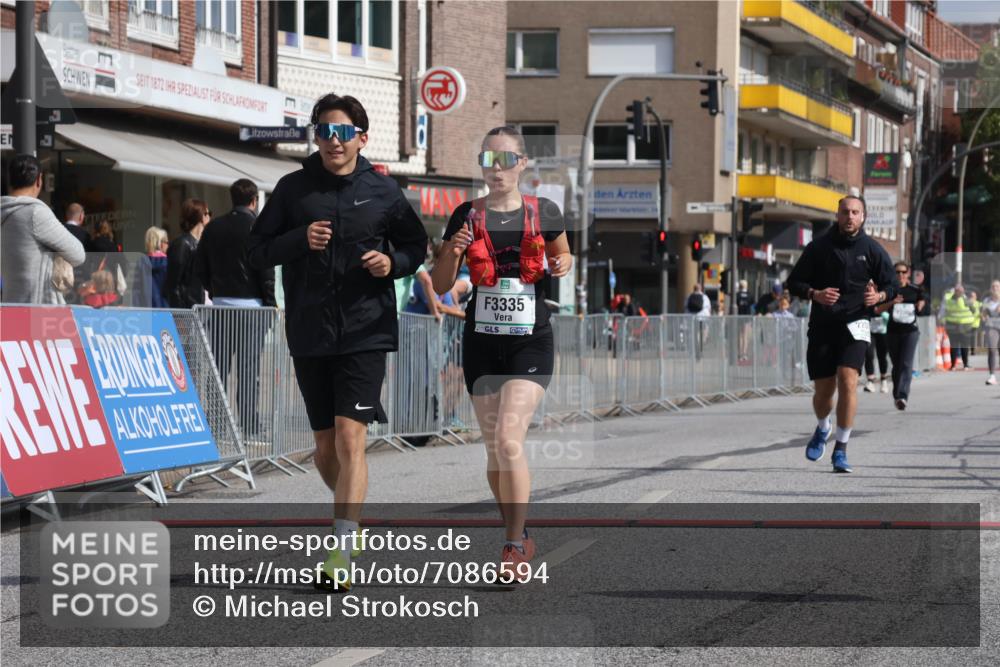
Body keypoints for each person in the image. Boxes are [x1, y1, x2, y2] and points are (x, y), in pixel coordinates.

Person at [247, 94, 427, 591]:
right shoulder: (292, 189)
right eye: (324, 131)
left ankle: (341, 546)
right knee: (325, 450)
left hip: (366, 330)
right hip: (309, 329)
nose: (332, 140)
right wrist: (298, 239)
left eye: (343, 132)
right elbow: (257, 252)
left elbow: (416, 246)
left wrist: (394, 264)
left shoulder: (384, 192)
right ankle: (352, 512)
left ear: (361, 139)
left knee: (351, 439)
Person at [430, 125, 572, 582]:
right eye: (490, 160)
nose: (498, 169)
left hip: (531, 339)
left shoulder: (543, 211)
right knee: (495, 450)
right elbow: (439, 284)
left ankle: (513, 544)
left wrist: (562, 263)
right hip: (482, 340)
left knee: (510, 439)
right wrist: (453, 252)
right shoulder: (466, 214)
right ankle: (520, 528)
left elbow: (562, 256)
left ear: (522, 164)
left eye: (507, 160)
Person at [787, 195, 898, 473]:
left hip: (856, 322)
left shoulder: (872, 249)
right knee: (824, 392)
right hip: (824, 325)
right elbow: (795, 282)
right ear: (838, 215)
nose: (850, 217)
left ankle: (841, 448)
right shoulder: (819, 247)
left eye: (855, 212)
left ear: (863, 217)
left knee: (849, 381)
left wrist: (880, 295)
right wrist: (815, 293)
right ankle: (823, 427)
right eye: (845, 212)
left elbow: (893, 284)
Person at [195, 179, 278, 437]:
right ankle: (249, 424)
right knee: (248, 367)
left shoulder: (214, 227)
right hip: (252, 307)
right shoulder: (258, 227)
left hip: (220, 306)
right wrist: (270, 301)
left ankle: (218, 421)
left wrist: (215, 290)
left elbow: (200, 266)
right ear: (253, 200)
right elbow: (266, 269)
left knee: (218, 368)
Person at [1, 154, 86, 304]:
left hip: (10, 303)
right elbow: (78, 253)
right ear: (39, 180)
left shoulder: (4, 212)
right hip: (38, 307)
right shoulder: (35, 212)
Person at [875, 261, 925, 410]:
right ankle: (897, 395)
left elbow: (922, 301)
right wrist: (891, 303)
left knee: (906, 363)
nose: (900, 275)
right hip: (892, 332)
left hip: (910, 332)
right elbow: (877, 310)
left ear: (908, 273)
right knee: (897, 365)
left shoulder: (915, 290)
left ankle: (903, 395)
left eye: (903, 272)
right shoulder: (890, 291)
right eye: (897, 272)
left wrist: (921, 304)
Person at [163, 199, 210, 308]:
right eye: (208, 213)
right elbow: (173, 284)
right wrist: (181, 315)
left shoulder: (200, 244)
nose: (210, 217)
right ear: (201, 216)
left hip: (199, 307)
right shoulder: (182, 244)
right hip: (187, 310)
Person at [131, 226, 169, 308]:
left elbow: (136, 291)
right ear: (161, 243)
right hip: (165, 310)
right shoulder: (168, 262)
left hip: (145, 311)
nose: (168, 245)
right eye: (167, 242)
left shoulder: (141, 262)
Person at [940, 284, 976, 371]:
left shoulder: (966, 299)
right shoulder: (948, 298)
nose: (959, 292)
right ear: (955, 291)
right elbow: (943, 310)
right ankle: (953, 365)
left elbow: (973, 310)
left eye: (961, 291)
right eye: (957, 291)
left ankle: (965, 365)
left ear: (963, 291)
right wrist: (941, 320)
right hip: (952, 326)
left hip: (965, 326)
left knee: (964, 346)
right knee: (954, 346)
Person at [863, 311, 890, 393]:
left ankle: (883, 380)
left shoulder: (885, 298)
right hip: (870, 329)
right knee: (869, 354)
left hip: (883, 329)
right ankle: (870, 381)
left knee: (882, 356)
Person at [981, 280, 1000, 386]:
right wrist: (984, 317)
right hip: (991, 327)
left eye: (997, 286)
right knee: (992, 349)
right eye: (993, 286)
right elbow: (983, 314)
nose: (995, 288)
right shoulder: (987, 300)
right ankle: (992, 376)